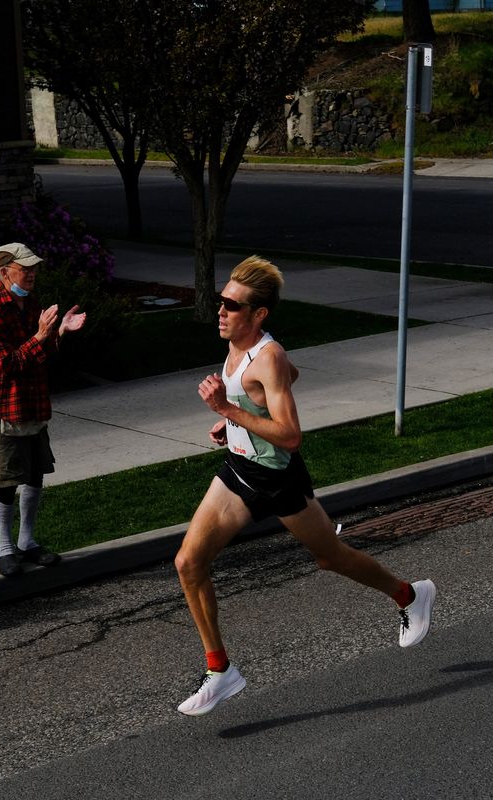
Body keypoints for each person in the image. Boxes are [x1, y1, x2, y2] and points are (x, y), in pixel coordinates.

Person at [174, 255, 436, 716]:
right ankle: (221, 670)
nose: (221, 311)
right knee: (189, 562)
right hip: (240, 468)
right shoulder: (241, 345)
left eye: (232, 306)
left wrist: (229, 413)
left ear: (258, 315)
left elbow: (292, 437)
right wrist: (238, 426)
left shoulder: (267, 354)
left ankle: (411, 595)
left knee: (329, 557)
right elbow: (285, 382)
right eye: (221, 301)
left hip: (277, 477)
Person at [0, 242, 86, 578]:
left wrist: (59, 331)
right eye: (25, 268)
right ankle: (5, 548)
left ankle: (27, 542)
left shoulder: (30, 302)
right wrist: (41, 335)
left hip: (32, 400)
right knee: (9, 478)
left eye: (34, 267)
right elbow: (6, 363)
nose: (32, 273)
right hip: (3, 406)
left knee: (36, 472)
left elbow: (38, 352)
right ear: (5, 271)